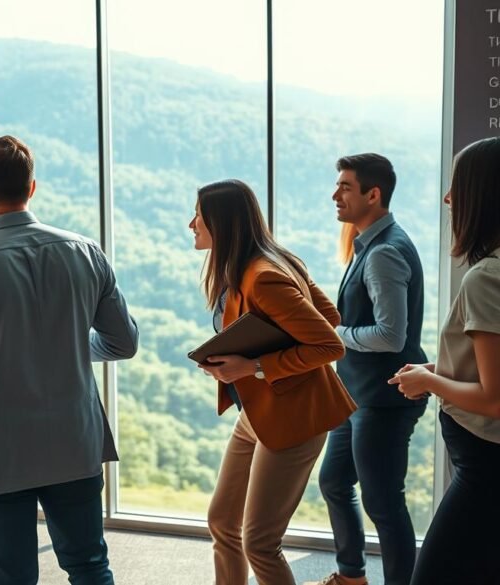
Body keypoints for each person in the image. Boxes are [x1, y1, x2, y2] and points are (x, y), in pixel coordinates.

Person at [0, 135, 139, 585]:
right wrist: (73, 347)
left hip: (1, 449)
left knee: (11, 578)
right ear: (31, 188)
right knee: (90, 566)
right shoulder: (86, 252)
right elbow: (123, 343)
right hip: (74, 441)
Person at [193, 179, 356, 585]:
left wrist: (253, 366)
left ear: (222, 222)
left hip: (294, 418)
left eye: (198, 214)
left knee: (260, 544)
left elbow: (330, 343)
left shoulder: (263, 275)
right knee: (222, 522)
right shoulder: (266, 262)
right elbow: (330, 315)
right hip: (259, 411)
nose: (191, 223)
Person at [309, 154, 427, 585]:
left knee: (383, 504)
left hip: (383, 398)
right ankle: (352, 577)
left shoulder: (384, 253)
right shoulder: (369, 244)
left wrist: (334, 336)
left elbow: (390, 336)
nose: (335, 194)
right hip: (356, 394)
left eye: (344, 186)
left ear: (372, 195)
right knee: (334, 482)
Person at [390, 136, 500, 585]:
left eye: (457, 185)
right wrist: (437, 370)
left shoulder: (486, 277)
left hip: (485, 469)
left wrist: (429, 383)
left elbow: (494, 400)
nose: (448, 197)